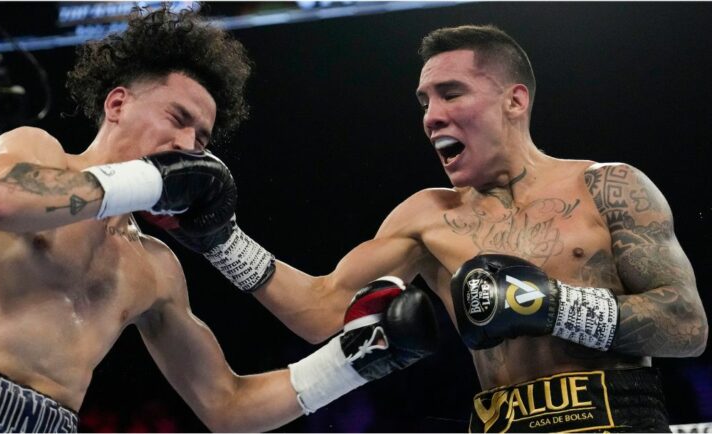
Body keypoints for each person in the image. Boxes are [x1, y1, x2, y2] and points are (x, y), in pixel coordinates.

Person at [150, 24, 709, 432]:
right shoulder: (427, 215)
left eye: (451, 93)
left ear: (515, 100)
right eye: (424, 101)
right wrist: (220, 239)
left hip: (619, 418)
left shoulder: (610, 187)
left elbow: (686, 325)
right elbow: (321, 310)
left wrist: (553, 305)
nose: (430, 116)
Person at [0, 6, 440, 433]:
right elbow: (2, 200)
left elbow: (227, 406)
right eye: (177, 118)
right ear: (117, 104)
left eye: (201, 141)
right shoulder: (36, 150)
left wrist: (352, 362)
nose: (186, 147)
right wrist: (151, 182)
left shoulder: (153, 266)